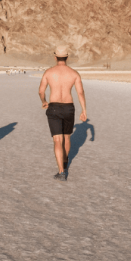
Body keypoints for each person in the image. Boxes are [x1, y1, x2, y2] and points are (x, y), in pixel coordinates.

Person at [38, 45, 88, 181]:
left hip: (53, 107)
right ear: (67, 57)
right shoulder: (74, 73)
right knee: (67, 137)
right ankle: (65, 162)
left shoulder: (49, 72)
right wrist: (84, 110)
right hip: (68, 107)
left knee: (57, 139)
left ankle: (61, 172)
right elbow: (80, 93)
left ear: (55, 57)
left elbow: (41, 91)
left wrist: (44, 100)